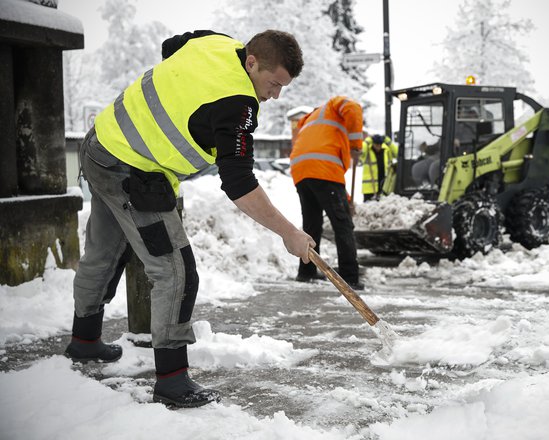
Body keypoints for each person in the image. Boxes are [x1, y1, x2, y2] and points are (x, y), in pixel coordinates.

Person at [65, 30, 314, 408]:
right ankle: (171, 381)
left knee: (107, 250)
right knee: (176, 272)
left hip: (101, 143)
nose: (275, 95)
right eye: (273, 83)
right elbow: (240, 183)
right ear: (251, 62)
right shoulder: (238, 104)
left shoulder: (214, 41)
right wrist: (288, 233)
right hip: (134, 173)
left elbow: (171, 48)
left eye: (283, 87)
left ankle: (84, 340)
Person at [289, 96, 364, 290]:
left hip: (301, 171)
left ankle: (306, 272)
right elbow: (353, 106)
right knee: (343, 224)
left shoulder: (308, 119)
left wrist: (345, 200)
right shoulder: (334, 105)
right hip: (323, 170)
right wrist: (356, 144)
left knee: (311, 225)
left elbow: (330, 186)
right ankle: (350, 277)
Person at [360, 134, 398, 201]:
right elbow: (360, 152)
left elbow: (397, 153)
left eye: (380, 144)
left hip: (385, 187)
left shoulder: (387, 151)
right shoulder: (368, 152)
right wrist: (367, 141)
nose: (378, 146)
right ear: (373, 143)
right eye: (376, 144)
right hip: (369, 189)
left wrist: (389, 142)